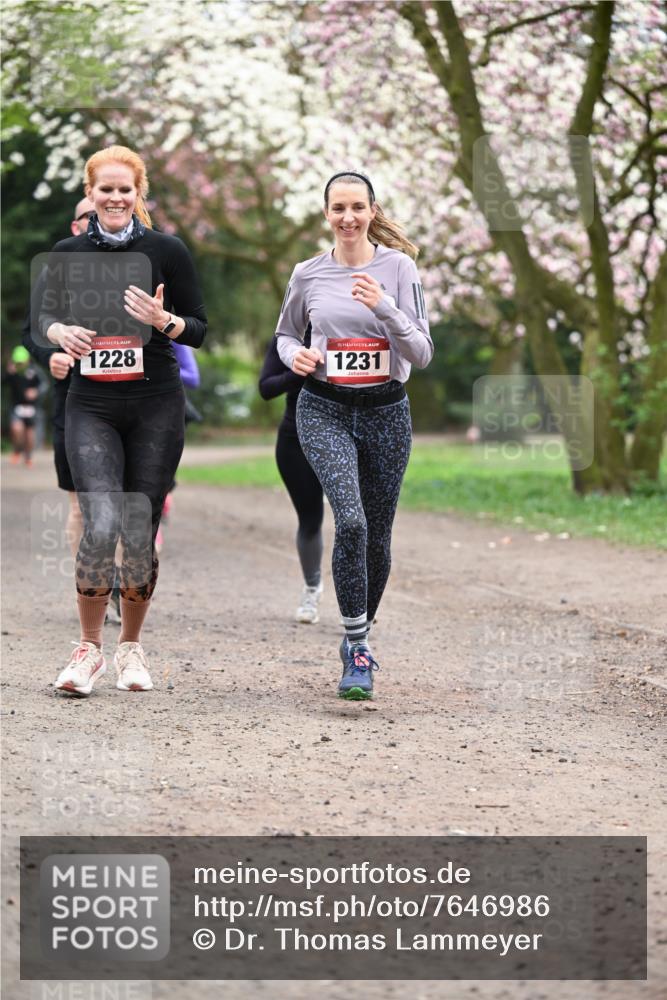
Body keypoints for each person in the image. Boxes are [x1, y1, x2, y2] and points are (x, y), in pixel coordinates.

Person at [38, 145, 207, 696]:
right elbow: (40, 318)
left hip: (156, 402)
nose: (115, 198)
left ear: (139, 194)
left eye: (124, 189)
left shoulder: (167, 250)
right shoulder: (65, 253)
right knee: (101, 518)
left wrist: (165, 320)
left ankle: (131, 649)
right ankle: (88, 650)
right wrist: (59, 332)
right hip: (91, 404)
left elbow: (199, 327)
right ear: (90, 194)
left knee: (139, 526)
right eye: (105, 189)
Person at [275, 171, 433, 699]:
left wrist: (383, 306)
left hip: (387, 411)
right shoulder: (308, 273)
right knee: (351, 520)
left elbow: (422, 353)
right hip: (325, 409)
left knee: (378, 537)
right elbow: (284, 334)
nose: (348, 217)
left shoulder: (399, 268)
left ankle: (356, 635)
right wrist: (294, 356)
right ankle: (360, 648)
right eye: (338, 208)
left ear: (372, 211)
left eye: (357, 207)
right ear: (326, 214)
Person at [22, 197, 95, 556]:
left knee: (125, 504)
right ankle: (91, 583)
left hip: (130, 400)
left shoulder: (136, 265)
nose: (97, 220)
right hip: (73, 400)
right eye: (89, 216)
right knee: (80, 505)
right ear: (74, 226)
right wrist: (52, 355)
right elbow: (31, 331)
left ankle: (124, 581)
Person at [259, 326, 325, 623]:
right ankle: (312, 588)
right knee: (310, 520)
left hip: (351, 435)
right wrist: (299, 371)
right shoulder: (290, 335)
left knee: (354, 521)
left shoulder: (356, 327)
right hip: (295, 438)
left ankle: (359, 597)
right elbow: (266, 387)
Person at [3, 345, 47, 466]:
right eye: (18, 362)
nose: (20, 365)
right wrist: (8, 373)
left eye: (21, 362)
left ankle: (28, 456)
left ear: (27, 360)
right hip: (16, 406)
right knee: (17, 429)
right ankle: (17, 450)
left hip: (31, 407)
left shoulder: (35, 371)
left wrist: (36, 392)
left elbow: (44, 385)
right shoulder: (12, 371)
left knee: (30, 434)